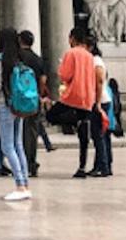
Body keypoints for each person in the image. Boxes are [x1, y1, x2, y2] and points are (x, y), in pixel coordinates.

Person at [47, 27, 102, 180]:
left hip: (72, 96)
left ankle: (74, 122)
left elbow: (65, 75)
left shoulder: (70, 53)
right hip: (87, 97)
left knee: (51, 116)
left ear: (72, 38)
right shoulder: (89, 56)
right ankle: (82, 167)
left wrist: (60, 69)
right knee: (83, 138)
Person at [0, 27, 31, 201]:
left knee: (7, 146)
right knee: (18, 144)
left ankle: (19, 185)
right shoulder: (20, 58)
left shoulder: (1, 59)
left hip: (4, 105)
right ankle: (25, 183)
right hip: (18, 105)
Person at [17, 30, 50, 174]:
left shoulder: (18, 58)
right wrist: (39, 93)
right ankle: (31, 161)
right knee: (32, 131)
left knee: (19, 131)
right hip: (33, 98)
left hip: (19, 99)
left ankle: (22, 161)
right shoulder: (38, 59)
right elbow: (43, 79)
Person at [90, 40, 113, 177]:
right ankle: (103, 165)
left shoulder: (95, 61)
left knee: (99, 135)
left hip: (100, 101)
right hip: (102, 100)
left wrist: (97, 103)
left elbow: (99, 81)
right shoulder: (97, 60)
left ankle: (103, 166)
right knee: (103, 135)